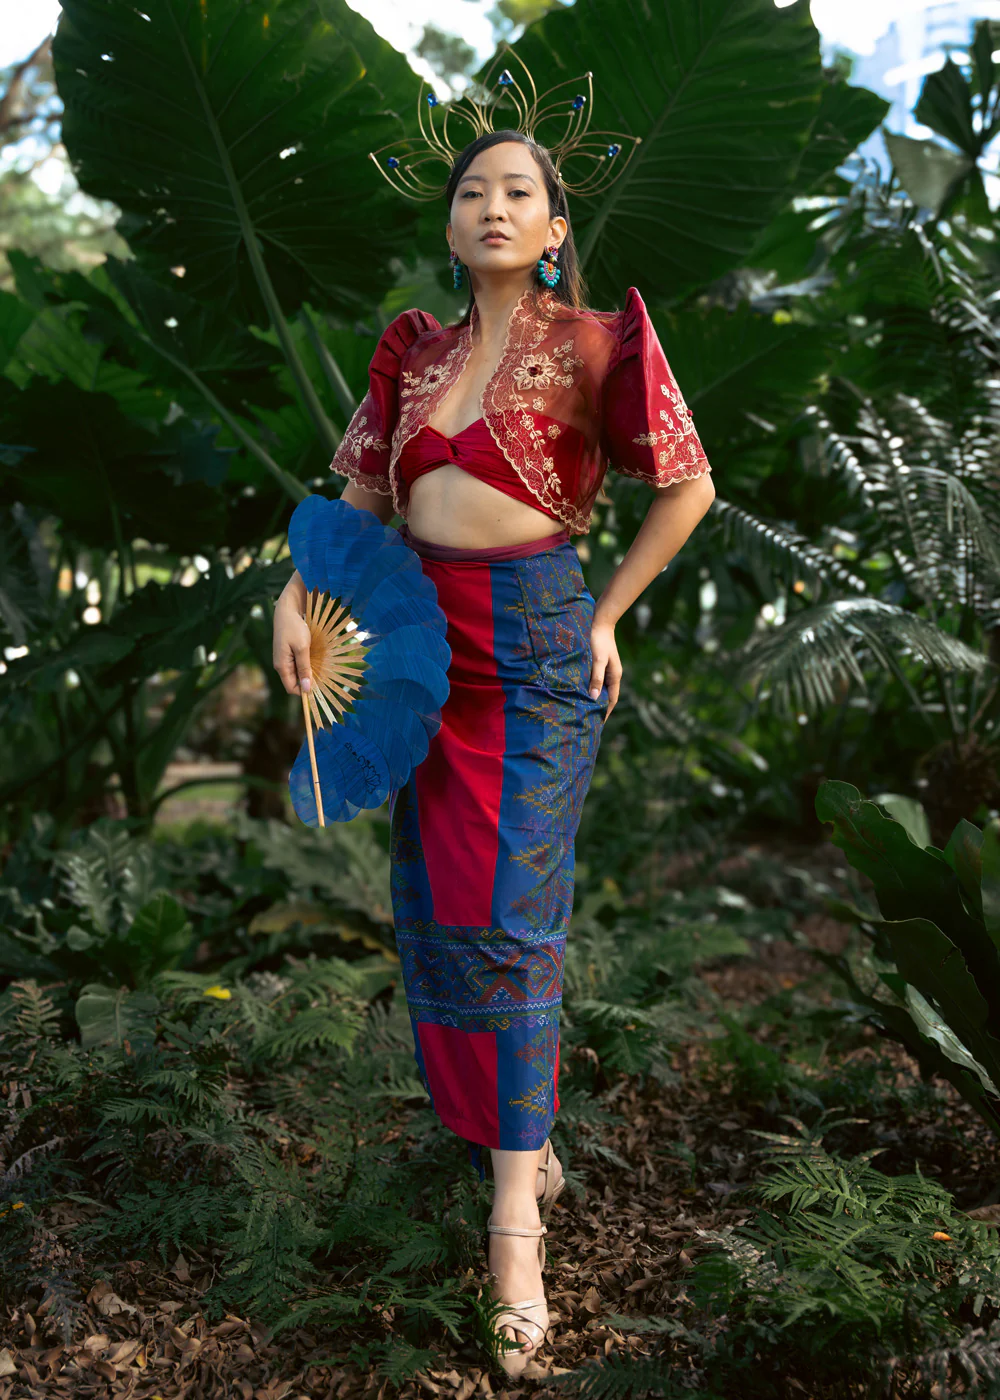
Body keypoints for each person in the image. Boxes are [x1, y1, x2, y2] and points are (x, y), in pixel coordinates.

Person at [273, 90, 714, 1376]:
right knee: (436, 913)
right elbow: (356, 496)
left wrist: (611, 614)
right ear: (451, 225)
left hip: (531, 640)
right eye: (473, 192)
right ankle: (514, 1136)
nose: (493, 206)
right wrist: (291, 602)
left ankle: (513, 1225)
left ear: (555, 226)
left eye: (518, 191)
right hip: (417, 650)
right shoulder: (409, 353)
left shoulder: (592, 344)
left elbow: (684, 483)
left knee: (514, 916)